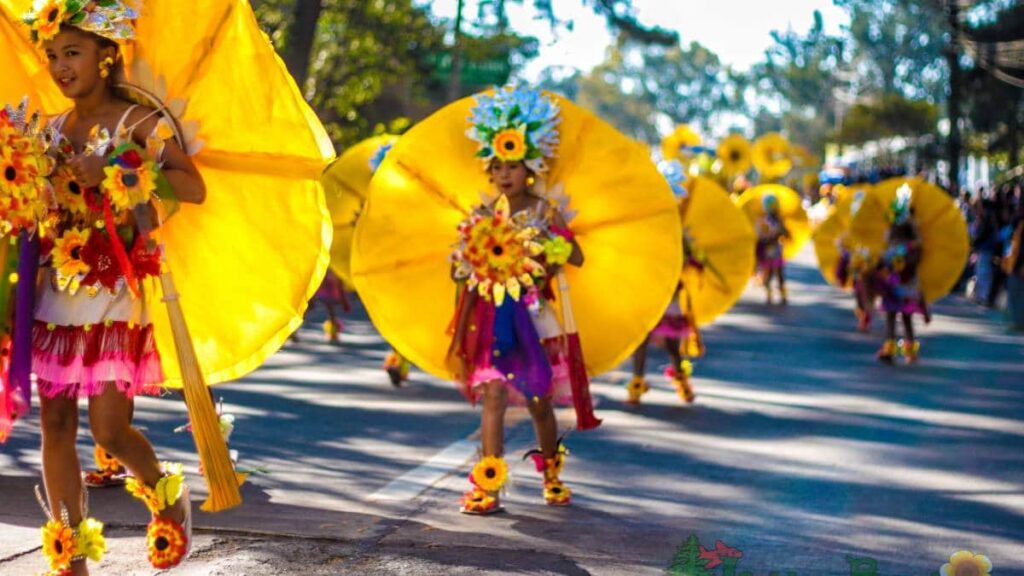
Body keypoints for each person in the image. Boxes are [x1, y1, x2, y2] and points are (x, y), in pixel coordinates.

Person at [19, 3, 205, 572]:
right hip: (54, 288)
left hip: (114, 290)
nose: (59, 66)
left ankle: (165, 497)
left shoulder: (137, 124)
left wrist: (128, 179)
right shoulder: (46, 129)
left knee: (110, 429)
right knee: (54, 424)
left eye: (71, 53)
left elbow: (191, 186)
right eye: (52, 55)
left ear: (106, 56)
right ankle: (68, 553)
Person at [448, 88, 584, 514]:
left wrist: (553, 247)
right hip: (491, 319)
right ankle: (488, 484)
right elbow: (459, 266)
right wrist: (461, 262)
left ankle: (551, 474)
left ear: (530, 167)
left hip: (534, 317)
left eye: (512, 164)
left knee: (540, 400)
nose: (504, 174)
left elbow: (575, 257)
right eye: (497, 166)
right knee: (493, 395)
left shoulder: (547, 212)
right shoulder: (483, 216)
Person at [876, 185, 930, 364]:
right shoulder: (893, 244)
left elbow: (915, 261)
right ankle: (890, 349)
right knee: (892, 316)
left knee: (905, 318)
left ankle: (909, 350)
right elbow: (883, 261)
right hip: (894, 283)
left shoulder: (912, 245)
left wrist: (903, 264)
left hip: (906, 284)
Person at [755, 193, 791, 305]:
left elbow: (787, 234)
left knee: (778, 273)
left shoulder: (779, 220)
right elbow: (760, 236)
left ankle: (780, 294)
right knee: (770, 273)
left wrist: (780, 231)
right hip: (768, 250)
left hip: (776, 250)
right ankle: (770, 293)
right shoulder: (763, 220)